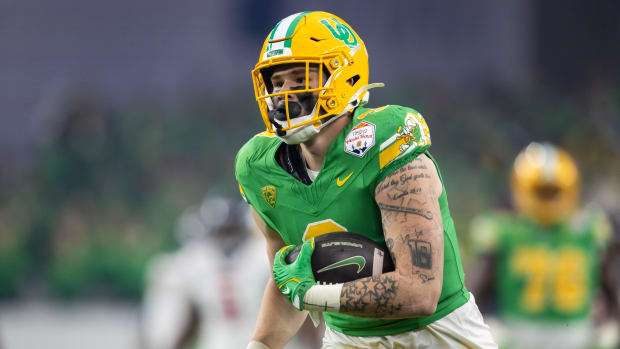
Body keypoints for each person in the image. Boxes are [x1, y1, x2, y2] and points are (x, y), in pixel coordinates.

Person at [235, 11, 497, 349]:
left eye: (299, 78)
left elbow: (420, 292)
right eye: (277, 82)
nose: (284, 92)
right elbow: (289, 280)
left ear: (343, 75)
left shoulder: (386, 140)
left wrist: (312, 292)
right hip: (349, 341)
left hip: (436, 336)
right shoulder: (258, 168)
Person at [467, 142, 619, 349]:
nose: (548, 200)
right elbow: (474, 292)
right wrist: (485, 325)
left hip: (579, 339)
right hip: (516, 338)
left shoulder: (589, 233)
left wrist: (610, 324)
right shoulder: (505, 233)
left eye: (553, 192)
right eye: (541, 192)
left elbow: (611, 286)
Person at [141, 195, 322, 349]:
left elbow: (183, 324)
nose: (226, 240)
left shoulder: (195, 261)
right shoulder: (266, 255)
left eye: (229, 232)